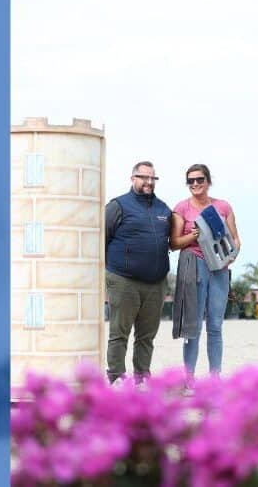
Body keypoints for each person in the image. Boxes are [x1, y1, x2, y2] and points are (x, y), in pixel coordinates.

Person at [170, 164, 240, 377]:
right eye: (190, 181)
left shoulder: (223, 206)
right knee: (193, 328)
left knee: (215, 326)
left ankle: (214, 379)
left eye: (199, 179)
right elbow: (173, 243)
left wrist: (231, 256)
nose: (195, 184)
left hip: (219, 268)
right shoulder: (181, 208)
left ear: (208, 181)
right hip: (194, 265)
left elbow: (235, 239)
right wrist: (194, 235)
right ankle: (189, 378)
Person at [105, 161, 172, 384]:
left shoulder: (164, 209)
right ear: (132, 178)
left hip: (156, 283)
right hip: (124, 280)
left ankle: (142, 377)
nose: (149, 182)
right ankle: (116, 376)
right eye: (144, 177)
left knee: (147, 336)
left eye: (153, 178)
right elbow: (100, 240)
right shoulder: (118, 206)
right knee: (119, 332)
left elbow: (171, 241)